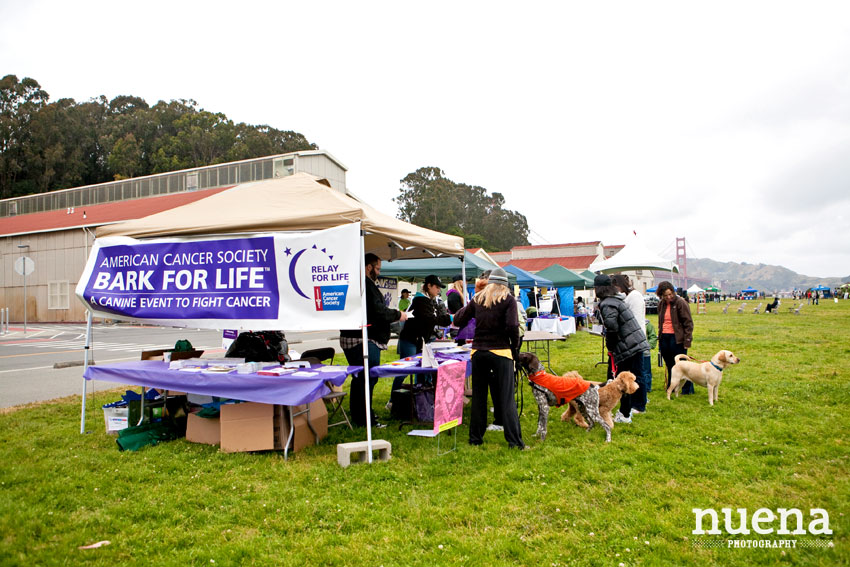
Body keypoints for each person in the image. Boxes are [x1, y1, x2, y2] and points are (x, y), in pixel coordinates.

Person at [453, 267, 524, 449]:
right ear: (506, 284)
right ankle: (514, 442)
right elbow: (512, 327)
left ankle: (475, 439)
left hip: (478, 352)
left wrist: (472, 302)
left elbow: (458, 319)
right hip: (501, 352)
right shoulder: (508, 300)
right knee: (506, 398)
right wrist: (514, 348)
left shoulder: (478, 299)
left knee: (479, 397)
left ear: (490, 283)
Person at [340, 253, 408, 428]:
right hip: (363, 338)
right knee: (366, 378)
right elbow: (378, 311)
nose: (378, 272)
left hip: (358, 336)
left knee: (361, 378)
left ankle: (362, 415)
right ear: (369, 267)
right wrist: (397, 314)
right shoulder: (366, 285)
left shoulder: (358, 284)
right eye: (377, 268)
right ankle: (364, 418)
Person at [390, 275, 452, 408]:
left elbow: (428, 321)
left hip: (420, 340)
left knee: (422, 370)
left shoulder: (429, 300)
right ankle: (392, 400)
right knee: (405, 371)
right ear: (428, 286)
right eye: (436, 287)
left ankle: (420, 399)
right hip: (410, 339)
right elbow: (431, 319)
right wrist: (451, 319)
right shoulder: (420, 300)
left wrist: (436, 331)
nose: (438, 290)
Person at [595, 274, 649, 424]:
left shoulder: (607, 304)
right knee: (630, 378)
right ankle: (627, 411)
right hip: (635, 343)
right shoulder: (617, 300)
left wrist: (611, 347)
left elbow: (612, 327)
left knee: (620, 383)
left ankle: (624, 414)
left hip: (627, 347)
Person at [611, 274, 649, 414]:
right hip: (629, 341)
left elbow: (636, 321)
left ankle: (640, 405)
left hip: (634, 341)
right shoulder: (628, 297)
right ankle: (634, 402)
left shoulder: (634, 297)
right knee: (633, 373)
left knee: (638, 373)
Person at [655, 280, 694, 395]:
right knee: (669, 364)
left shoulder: (681, 303)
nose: (669, 297)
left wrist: (687, 340)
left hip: (677, 338)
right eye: (665, 295)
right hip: (664, 337)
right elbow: (660, 322)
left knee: (682, 365)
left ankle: (687, 389)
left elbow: (688, 323)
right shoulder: (661, 304)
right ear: (661, 295)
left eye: (670, 294)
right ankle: (671, 386)